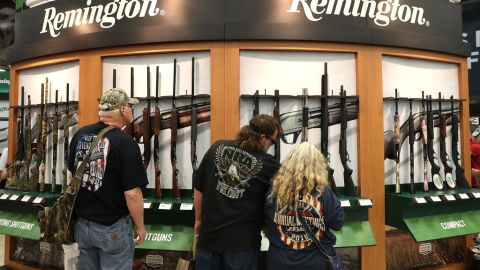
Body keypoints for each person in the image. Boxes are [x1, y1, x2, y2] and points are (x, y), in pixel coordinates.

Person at [68, 88, 148, 270]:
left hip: (82, 225)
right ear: (122, 110)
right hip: (112, 228)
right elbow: (133, 193)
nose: (132, 110)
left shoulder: (80, 135)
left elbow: (71, 177)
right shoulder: (126, 143)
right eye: (130, 106)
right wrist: (140, 227)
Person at [193, 114, 281, 270]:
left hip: (209, 238)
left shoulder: (217, 147)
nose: (270, 145)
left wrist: (198, 219)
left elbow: (198, 188)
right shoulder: (269, 164)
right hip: (242, 245)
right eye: (272, 141)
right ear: (262, 137)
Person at [265, 142, 345, 270]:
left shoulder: (274, 192)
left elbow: (267, 220)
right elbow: (338, 223)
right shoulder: (324, 193)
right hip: (315, 262)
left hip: (279, 261)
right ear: (318, 165)